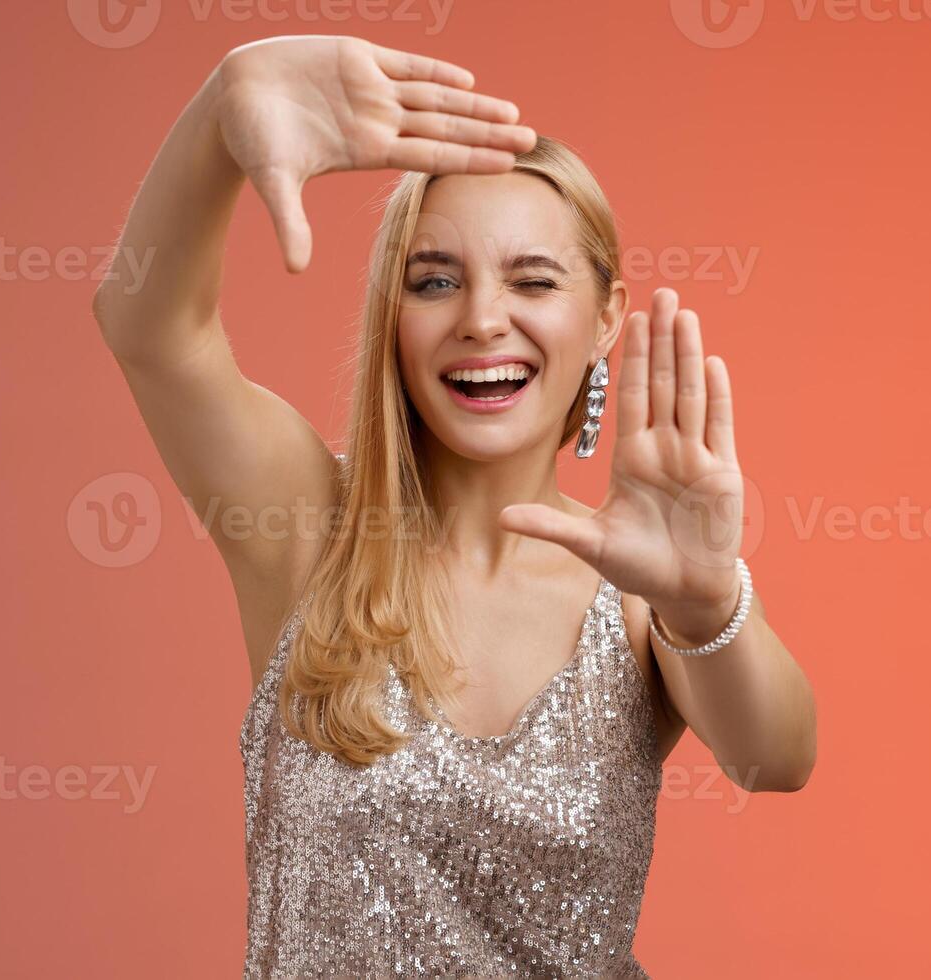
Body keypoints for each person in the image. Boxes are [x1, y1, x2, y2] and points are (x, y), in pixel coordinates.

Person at [92, 35, 818, 978]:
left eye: (533, 280)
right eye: (435, 280)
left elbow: (777, 759)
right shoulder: (308, 527)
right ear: (392, 317)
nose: (481, 317)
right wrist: (221, 114)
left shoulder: (636, 589)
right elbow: (148, 327)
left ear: (604, 318)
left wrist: (706, 600)